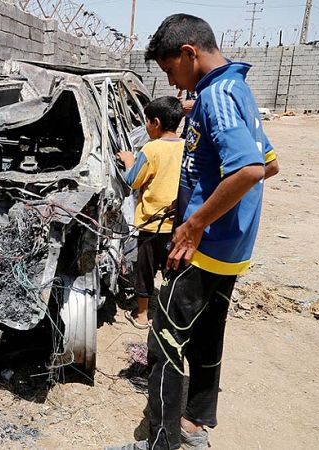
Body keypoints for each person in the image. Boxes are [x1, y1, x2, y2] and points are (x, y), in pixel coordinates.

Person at [107, 14, 279, 450]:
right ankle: (195, 425)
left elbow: (251, 170)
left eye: (170, 71)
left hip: (204, 247)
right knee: (206, 335)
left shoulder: (216, 94)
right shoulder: (237, 87)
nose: (173, 82)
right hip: (232, 246)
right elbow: (271, 163)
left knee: (164, 340)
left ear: (189, 53)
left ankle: (162, 442)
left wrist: (195, 223)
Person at [118, 96, 185, 329]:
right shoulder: (186, 146)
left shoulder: (151, 149)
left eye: (145, 122)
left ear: (155, 122)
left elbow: (133, 180)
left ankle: (142, 315)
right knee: (171, 269)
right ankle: (169, 314)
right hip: (176, 224)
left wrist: (128, 160)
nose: (144, 127)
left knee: (145, 270)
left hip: (151, 224)